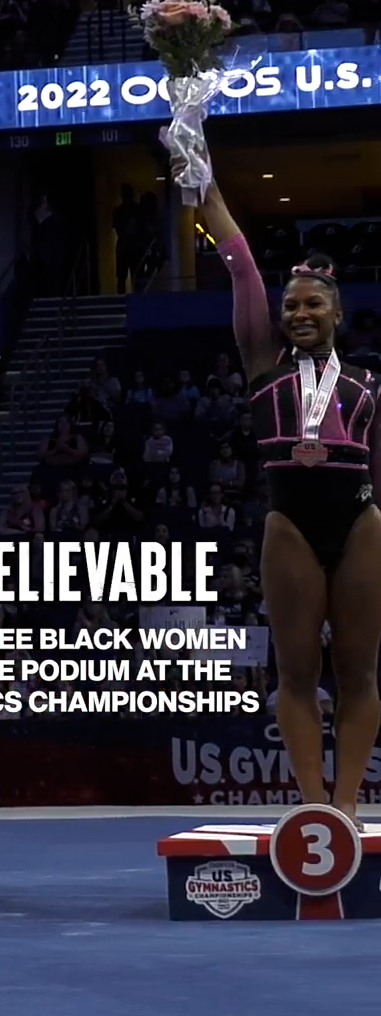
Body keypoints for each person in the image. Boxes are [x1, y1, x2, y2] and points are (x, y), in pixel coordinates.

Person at [190, 157, 381, 827]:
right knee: (297, 674)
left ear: (336, 312)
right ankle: (310, 805)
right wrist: (203, 180)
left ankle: (349, 801)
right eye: (292, 304)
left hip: (359, 522)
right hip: (290, 523)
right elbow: (240, 262)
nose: (299, 312)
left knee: (357, 674)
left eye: (313, 304)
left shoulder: (366, 387)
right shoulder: (261, 363)